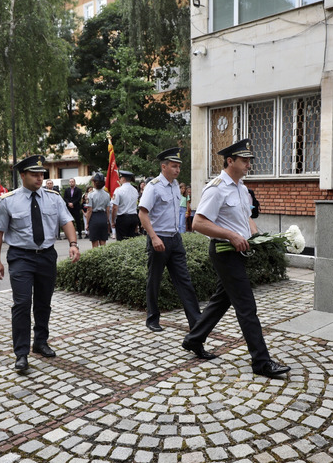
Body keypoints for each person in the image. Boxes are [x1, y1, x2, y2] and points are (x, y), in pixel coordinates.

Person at [182, 139, 291, 379]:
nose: (248, 165)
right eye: (244, 161)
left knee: (221, 300)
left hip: (238, 252)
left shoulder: (241, 188)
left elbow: (246, 219)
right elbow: (198, 223)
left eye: (249, 160)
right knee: (246, 306)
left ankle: (194, 339)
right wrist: (231, 235)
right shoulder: (217, 187)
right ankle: (261, 362)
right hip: (224, 252)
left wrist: (259, 238)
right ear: (230, 161)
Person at [0, 155, 80, 373]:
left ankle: (40, 341)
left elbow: (66, 220)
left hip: (47, 255)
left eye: (42, 174)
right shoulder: (8, 200)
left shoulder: (53, 198)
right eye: (34, 174)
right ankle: (21, 354)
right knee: (21, 303)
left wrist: (73, 243)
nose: (40, 178)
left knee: (43, 302)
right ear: (22, 176)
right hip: (21, 256)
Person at [138, 148, 202, 333]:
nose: (177, 170)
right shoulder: (154, 186)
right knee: (155, 280)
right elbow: (143, 214)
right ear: (163, 166)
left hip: (175, 239)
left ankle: (196, 322)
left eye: (179, 167)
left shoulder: (175, 185)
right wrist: (154, 237)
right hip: (159, 239)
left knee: (185, 281)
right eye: (174, 166)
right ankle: (152, 318)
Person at [112, 170, 140, 240]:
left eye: (120, 178)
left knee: (121, 240)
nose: (119, 180)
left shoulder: (118, 190)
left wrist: (113, 220)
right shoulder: (135, 190)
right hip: (134, 217)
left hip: (123, 218)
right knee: (131, 240)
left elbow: (115, 207)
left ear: (123, 179)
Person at [86, 173, 111, 248]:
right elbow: (108, 209)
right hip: (103, 216)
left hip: (94, 218)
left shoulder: (91, 194)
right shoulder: (107, 194)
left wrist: (87, 223)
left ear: (94, 182)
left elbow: (89, 210)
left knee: (95, 243)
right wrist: (106, 220)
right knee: (103, 242)